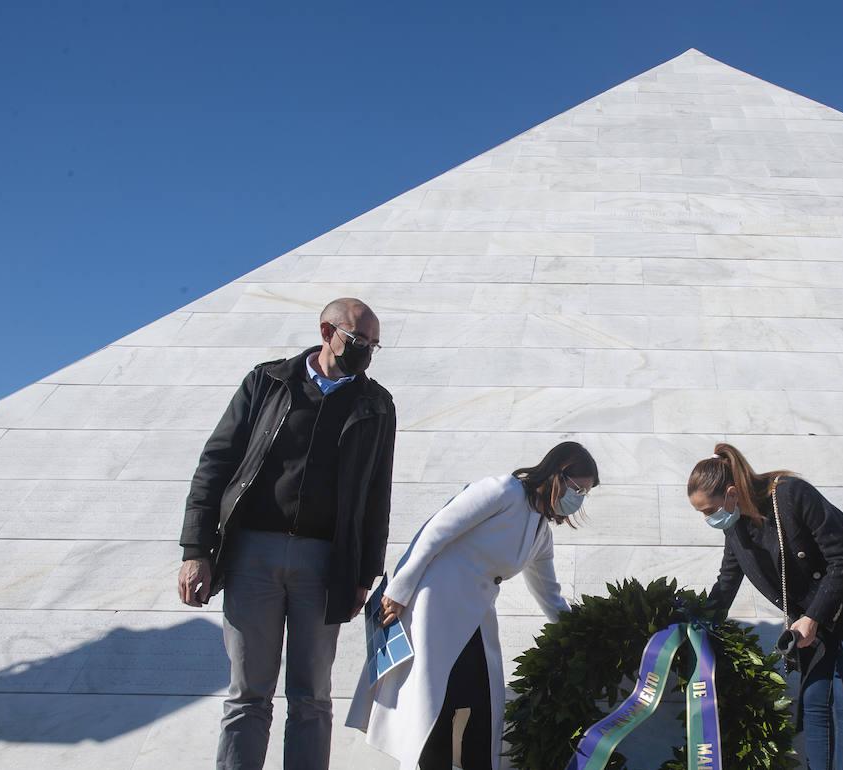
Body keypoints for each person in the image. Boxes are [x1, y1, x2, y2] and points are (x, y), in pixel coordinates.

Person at [176, 297, 397, 770]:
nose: (366, 353)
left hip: (325, 563)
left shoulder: (377, 405)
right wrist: (196, 549)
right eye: (359, 341)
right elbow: (215, 464)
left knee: (312, 696)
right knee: (247, 695)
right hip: (252, 554)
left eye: (375, 346)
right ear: (326, 331)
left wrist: (364, 575)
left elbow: (378, 495)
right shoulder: (267, 381)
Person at [347, 441, 596, 770]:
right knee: (435, 708)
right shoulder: (504, 490)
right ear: (558, 474)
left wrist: (582, 633)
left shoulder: (541, 534)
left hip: (475, 617)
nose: (578, 499)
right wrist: (399, 589)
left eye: (585, 494)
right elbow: (437, 530)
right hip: (433, 608)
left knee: (482, 708)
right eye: (578, 489)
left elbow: (550, 594)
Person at [689, 443, 843, 770]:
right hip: (815, 621)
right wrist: (694, 625)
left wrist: (813, 617)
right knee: (814, 700)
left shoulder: (789, 494)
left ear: (731, 492)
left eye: (707, 509)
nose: (707, 518)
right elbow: (727, 581)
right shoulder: (736, 527)